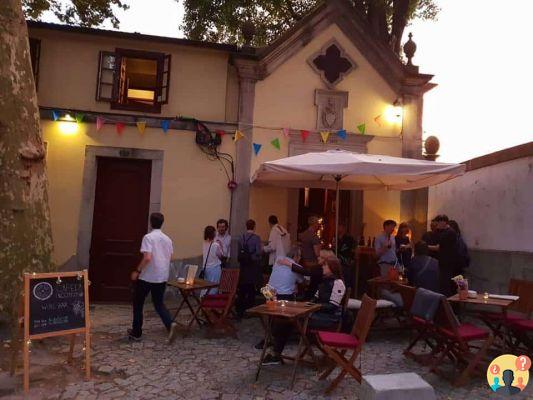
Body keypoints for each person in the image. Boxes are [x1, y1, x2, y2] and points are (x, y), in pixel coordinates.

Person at [262, 256, 346, 365]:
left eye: (325, 265)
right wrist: (306, 304)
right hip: (318, 313)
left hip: (328, 318)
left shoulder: (338, 283)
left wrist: (313, 307)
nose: (323, 268)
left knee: (290, 321)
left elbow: (332, 306)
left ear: (332, 268)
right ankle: (275, 351)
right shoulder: (324, 281)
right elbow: (315, 298)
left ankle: (275, 353)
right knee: (286, 319)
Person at [129, 213, 178, 343]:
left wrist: (137, 270)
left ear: (151, 222)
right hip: (161, 276)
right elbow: (170, 257)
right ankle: (170, 323)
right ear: (162, 223)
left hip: (147, 276)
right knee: (158, 303)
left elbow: (147, 257)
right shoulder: (168, 239)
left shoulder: (148, 237)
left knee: (138, 303)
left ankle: (136, 332)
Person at [236, 219, 262, 318]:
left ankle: (240, 311)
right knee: (251, 288)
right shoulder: (256, 238)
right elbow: (258, 253)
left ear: (246, 226)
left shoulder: (241, 237)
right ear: (254, 226)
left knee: (242, 289)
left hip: (243, 266)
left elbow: (239, 252)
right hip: (252, 266)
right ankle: (249, 309)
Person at [428, 215, 460, 297]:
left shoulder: (449, 233)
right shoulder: (446, 232)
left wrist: (426, 246)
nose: (436, 226)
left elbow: (439, 247)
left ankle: (446, 305)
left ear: (443, 222)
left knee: (445, 286)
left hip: (447, 264)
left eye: (437, 223)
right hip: (445, 263)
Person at [299, 216, 322, 299]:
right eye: (318, 224)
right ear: (314, 224)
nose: (319, 226)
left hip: (303, 262)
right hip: (313, 264)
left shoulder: (302, 235)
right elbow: (317, 253)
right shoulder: (314, 237)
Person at [334, 222, 356, 290]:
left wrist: (352, 259)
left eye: (339, 227)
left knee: (346, 280)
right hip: (336, 261)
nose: (338, 229)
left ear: (344, 228)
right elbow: (334, 249)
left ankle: (346, 293)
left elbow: (351, 249)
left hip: (346, 261)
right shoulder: (335, 237)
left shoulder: (349, 238)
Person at [202, 226, 223, 295]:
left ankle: (203, 299)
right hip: (214, 268)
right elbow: (220, 255)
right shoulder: (216, 245)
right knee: (213, 287)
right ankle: (210, 301)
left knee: (206, 286)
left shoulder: (204, 243)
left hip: (206, 268)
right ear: (213, 233)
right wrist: (221, 245)